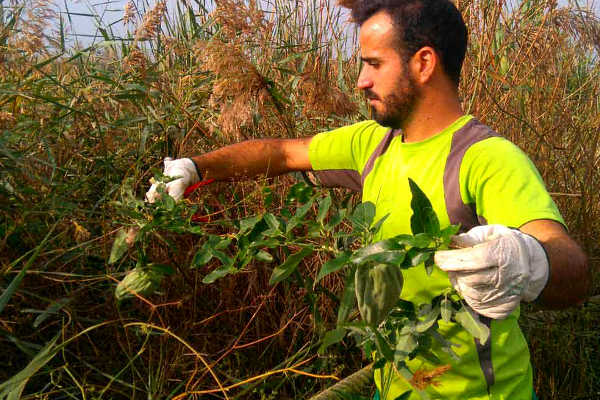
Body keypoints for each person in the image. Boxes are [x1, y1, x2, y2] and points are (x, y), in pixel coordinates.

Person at [145, 0, 589, 398]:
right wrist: (198, 167)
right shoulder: (372, 145)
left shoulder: (486, 158)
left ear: (424, 63)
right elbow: (282, 153)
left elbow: (571, 267)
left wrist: (531, 263)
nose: (360, 81)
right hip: (392, 385)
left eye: (373, 64)